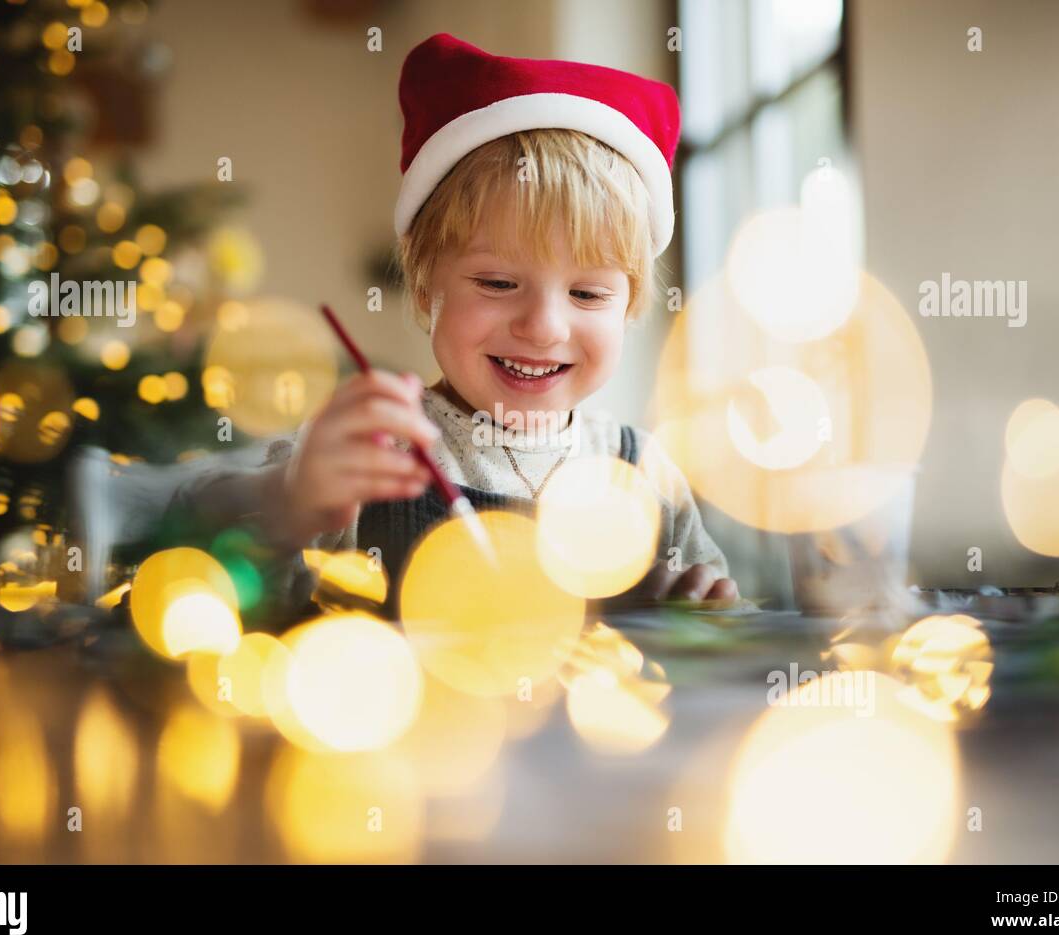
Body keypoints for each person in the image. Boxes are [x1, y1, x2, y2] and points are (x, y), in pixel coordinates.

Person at [171, 33, 737, 621]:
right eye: (496, 284)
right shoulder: (363, 459)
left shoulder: (646, 474)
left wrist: (700, 608)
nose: (543, 327)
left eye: (588, 293)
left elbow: (721, 634)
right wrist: (290, 510)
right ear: (423, 284)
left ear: (631, 305)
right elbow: (224, 605)